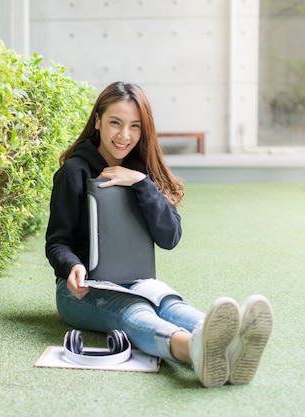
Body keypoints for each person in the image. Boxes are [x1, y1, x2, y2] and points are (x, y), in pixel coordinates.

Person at [45, 81, 273, 388]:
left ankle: (230, 345)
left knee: (169, 304)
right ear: (98, 121)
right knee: (134, 310)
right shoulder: (74, 172)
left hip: (137, 280)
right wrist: (71, 266)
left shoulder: (142, 173)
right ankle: (194, 351)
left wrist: (141, 183)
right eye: (115, 123)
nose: (124, 135)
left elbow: (170, 237)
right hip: (81, 291)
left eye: (135, 126)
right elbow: (57, 241)